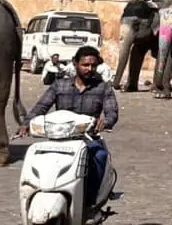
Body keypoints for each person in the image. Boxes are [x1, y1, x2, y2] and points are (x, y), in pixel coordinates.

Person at [18, 46, 118, 207]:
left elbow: (112, 112)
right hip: (58, 138)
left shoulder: (103, 87)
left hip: (88, 138)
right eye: (85, 65)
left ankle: (91, 203)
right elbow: (41, 107)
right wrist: (27, 123)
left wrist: (104, 122)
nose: (89, 69)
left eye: (93, 65)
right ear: (75, 63)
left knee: (100, 156)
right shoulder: (59, 85)